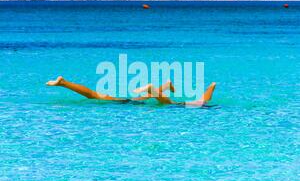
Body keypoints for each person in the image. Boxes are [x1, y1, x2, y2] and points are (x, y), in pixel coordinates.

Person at [46, 76, 216, 107]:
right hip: (138, 102)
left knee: (95, 95)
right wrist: (210, 89)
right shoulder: (193, 105)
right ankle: (160, 86)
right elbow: (203, 100)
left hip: (131, 101)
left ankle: (64, 83)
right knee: (203, 102)